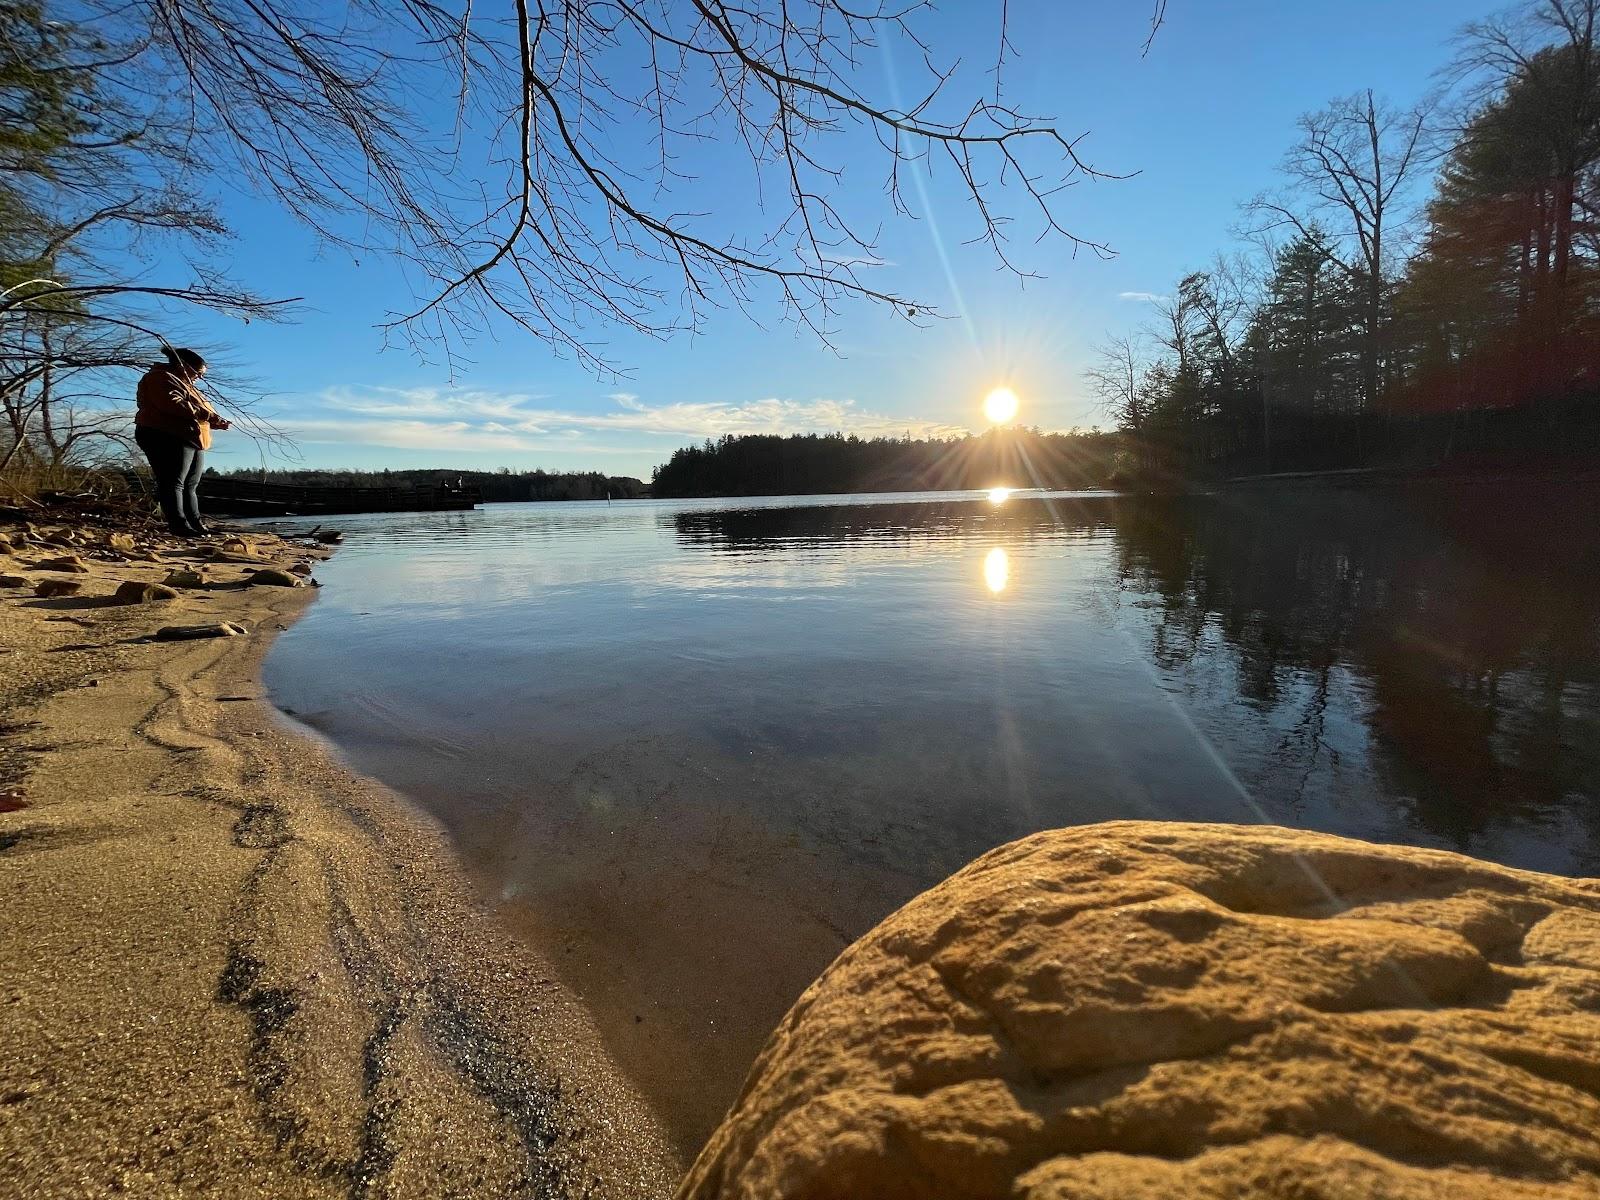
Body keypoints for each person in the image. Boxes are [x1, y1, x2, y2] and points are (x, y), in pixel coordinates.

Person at [134, 347, 229, 536]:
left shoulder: (185, 384)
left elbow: (195, 411)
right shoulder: (160, 378)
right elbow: (173, 404)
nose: (199, 378)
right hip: (165, 434)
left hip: (191, 438)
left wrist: (215, 421)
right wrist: (209, 415)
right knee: (173, 482)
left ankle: (196, 524)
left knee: (190, 484)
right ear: (183, 366)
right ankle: (179, 526)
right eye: (198, 373)